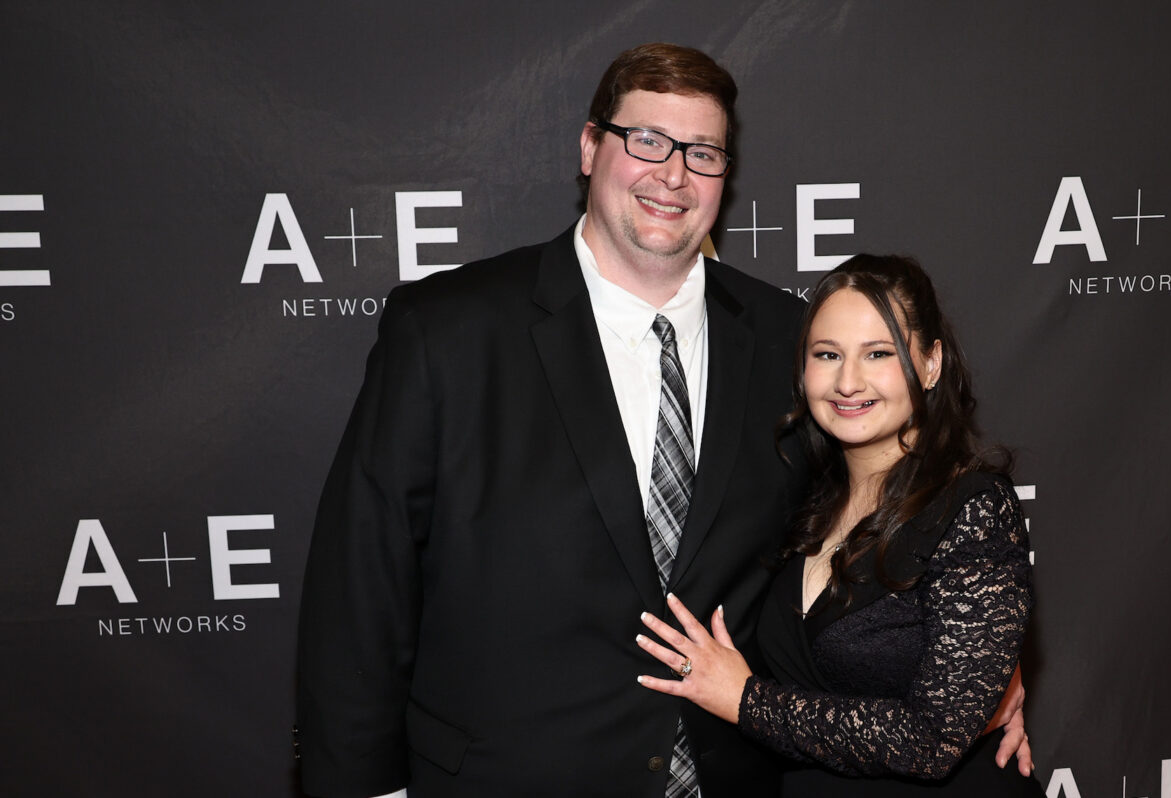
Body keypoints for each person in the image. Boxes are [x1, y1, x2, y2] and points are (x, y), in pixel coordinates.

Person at [296, 44, 1030, 798]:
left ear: (725, 177)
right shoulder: (448, 330)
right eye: (646, 139)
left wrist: (980, 671)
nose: (673, 173)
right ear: (589, 148)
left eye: (703, 153)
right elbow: (361, 587)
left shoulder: (792, 341)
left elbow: (889, 525)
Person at [636, 254, 1044, 796]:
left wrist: (745, 700)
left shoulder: (972, 508)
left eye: (878, 354)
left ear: (930, 364)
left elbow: (933, 741)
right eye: (827, 354)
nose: (848, 382)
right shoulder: (799, 498)